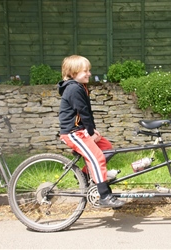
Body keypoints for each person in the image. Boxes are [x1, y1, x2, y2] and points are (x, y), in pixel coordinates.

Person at [57, 55, 124, 208]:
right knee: (98, 157)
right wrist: (90, 132)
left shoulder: (80, 87)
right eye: (85, 71)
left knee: (107, 148)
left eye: (89, 70)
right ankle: (105, 196)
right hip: (73, 133)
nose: (89, 74)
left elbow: (87, 112)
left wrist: (92, 131)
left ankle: (86, 175)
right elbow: (83, 112)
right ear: (73, 73)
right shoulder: (73, 88)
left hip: (81, 130)